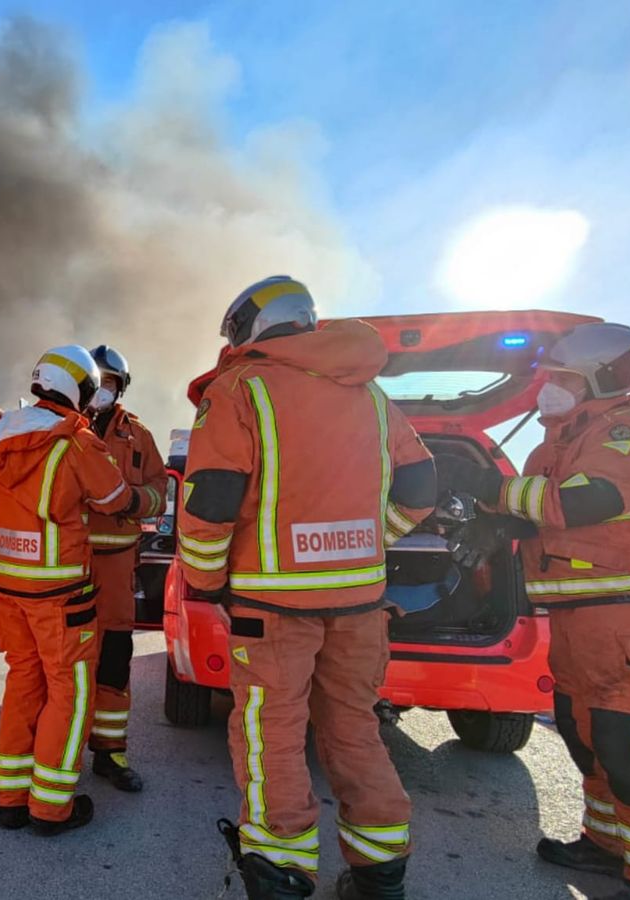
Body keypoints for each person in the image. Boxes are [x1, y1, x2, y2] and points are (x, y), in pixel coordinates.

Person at [444, 322, 630, 900]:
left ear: (604, 376)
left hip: (629, 619)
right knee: (584, 734)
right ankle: (607, 844)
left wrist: (486, 487)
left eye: (564, 378)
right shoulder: (556, 443)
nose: (551, 388)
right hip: (574, 620)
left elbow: (590, 499)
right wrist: (499, 526)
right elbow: (543, 512)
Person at [177, 276, 436, 900]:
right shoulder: (370, 395)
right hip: (359, 605)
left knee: (273, 736)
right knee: (354, 729)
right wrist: (372, 539)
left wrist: (207, 581)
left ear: (253, 326)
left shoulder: (241, 388)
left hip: (272, 609)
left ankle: (280, 876)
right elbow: (422, 487)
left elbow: (210, 501)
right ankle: (380, 876)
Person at [0, 345, 141, 836]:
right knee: (70, 694)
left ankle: (11, 802)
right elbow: (116, 497)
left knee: (24, 684)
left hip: (9, 590)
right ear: (78, 390)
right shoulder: (76, 443)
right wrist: (136, 499)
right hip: (62, 596)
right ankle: (51, 810)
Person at [82, 344, 168, 792]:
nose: (101, 391)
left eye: (109, 384)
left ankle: (110, 753)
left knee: (114, 660)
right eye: (94, 382)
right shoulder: (61, 430)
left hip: (116, 571)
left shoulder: (138, 436)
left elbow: (159, 489)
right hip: (67, 569)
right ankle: (54, 750)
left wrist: (135, 501)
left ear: (121, 388)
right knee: (61, 664)